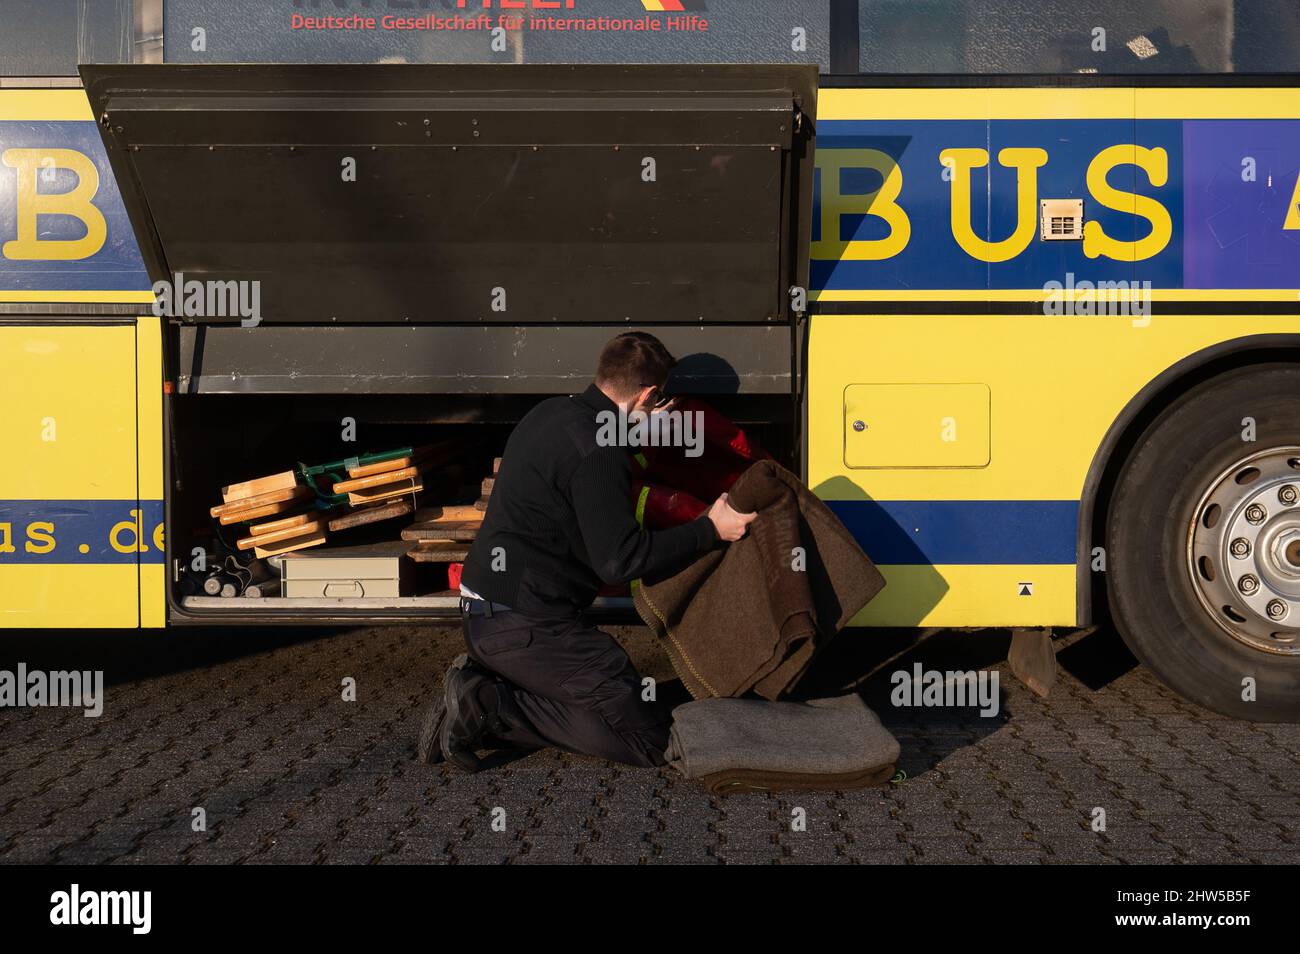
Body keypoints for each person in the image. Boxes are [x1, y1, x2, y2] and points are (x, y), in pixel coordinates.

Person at [417, 332, 756, 771]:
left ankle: (491, 685)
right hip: (524, 628)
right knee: (649, 740)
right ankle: (489, 706)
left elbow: (585, 476)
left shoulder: (551, 412)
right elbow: (621, 559)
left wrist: (636, 431)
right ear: (650, 394)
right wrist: (709, 528)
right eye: (662, 400)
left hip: (490, 613)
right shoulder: (602, 449)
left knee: (625, 695)